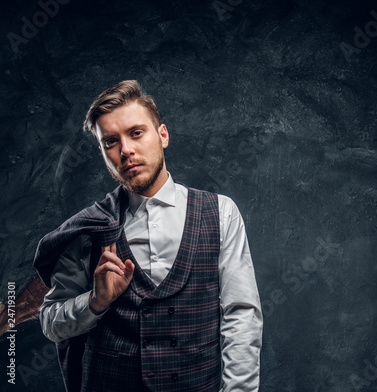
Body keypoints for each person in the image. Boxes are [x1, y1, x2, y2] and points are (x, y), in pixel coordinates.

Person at [33, 80, 263, 392]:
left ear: (162, 135)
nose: (126, 149)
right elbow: (50, 322)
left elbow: (241, 316)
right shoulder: (89, 230)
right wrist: (95, 302)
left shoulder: (221, 213)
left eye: (136, 133)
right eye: (110, 142)